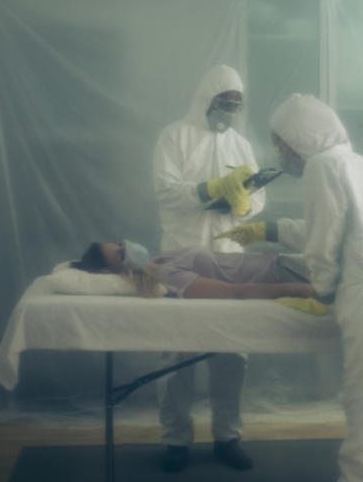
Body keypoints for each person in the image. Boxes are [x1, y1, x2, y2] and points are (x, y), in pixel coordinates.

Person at [218, 93, 363, 482]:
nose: (279, 151)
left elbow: (324, 242)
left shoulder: (322, 167)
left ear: (303, 137)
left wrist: (322, 293)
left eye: (281, 142)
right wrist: (271, 229)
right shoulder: (359, 164)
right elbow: (345, 229)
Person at [150, 64, 263, 472]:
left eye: (235, 104)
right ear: (206, 100)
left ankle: (227, 437)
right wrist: (208, 190)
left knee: (232, 354)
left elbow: (257, 197)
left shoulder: (241, 145)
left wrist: (244, 203)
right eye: (223, 102)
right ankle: (175, 441)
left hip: (229, 259)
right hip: (182, 257)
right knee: (176, 353)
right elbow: (164, 188)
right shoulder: (174, 136)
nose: (229, 110)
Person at [71, 240, 315, 300]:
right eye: (122, 254)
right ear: (114, 271)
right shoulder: (167, 276)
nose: (129, 247)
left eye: (122, 244)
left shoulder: (162, 259)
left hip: (282, 261)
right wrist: (297, 289)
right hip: (284, 273)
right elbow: (234, 292)